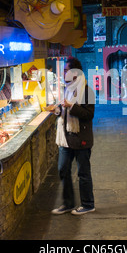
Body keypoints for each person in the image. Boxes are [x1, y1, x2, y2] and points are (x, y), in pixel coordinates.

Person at [46, 57, 96, 216]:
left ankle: (88, 204)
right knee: (62, 169)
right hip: (65, 138)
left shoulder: (87, 91)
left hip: (81, 138)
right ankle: (68, 203)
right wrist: (56, 109)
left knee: (83, 173)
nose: (64, 73)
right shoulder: (67, 88)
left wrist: (71, 106)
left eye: (66, 70)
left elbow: (89, 115)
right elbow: (64, 110)